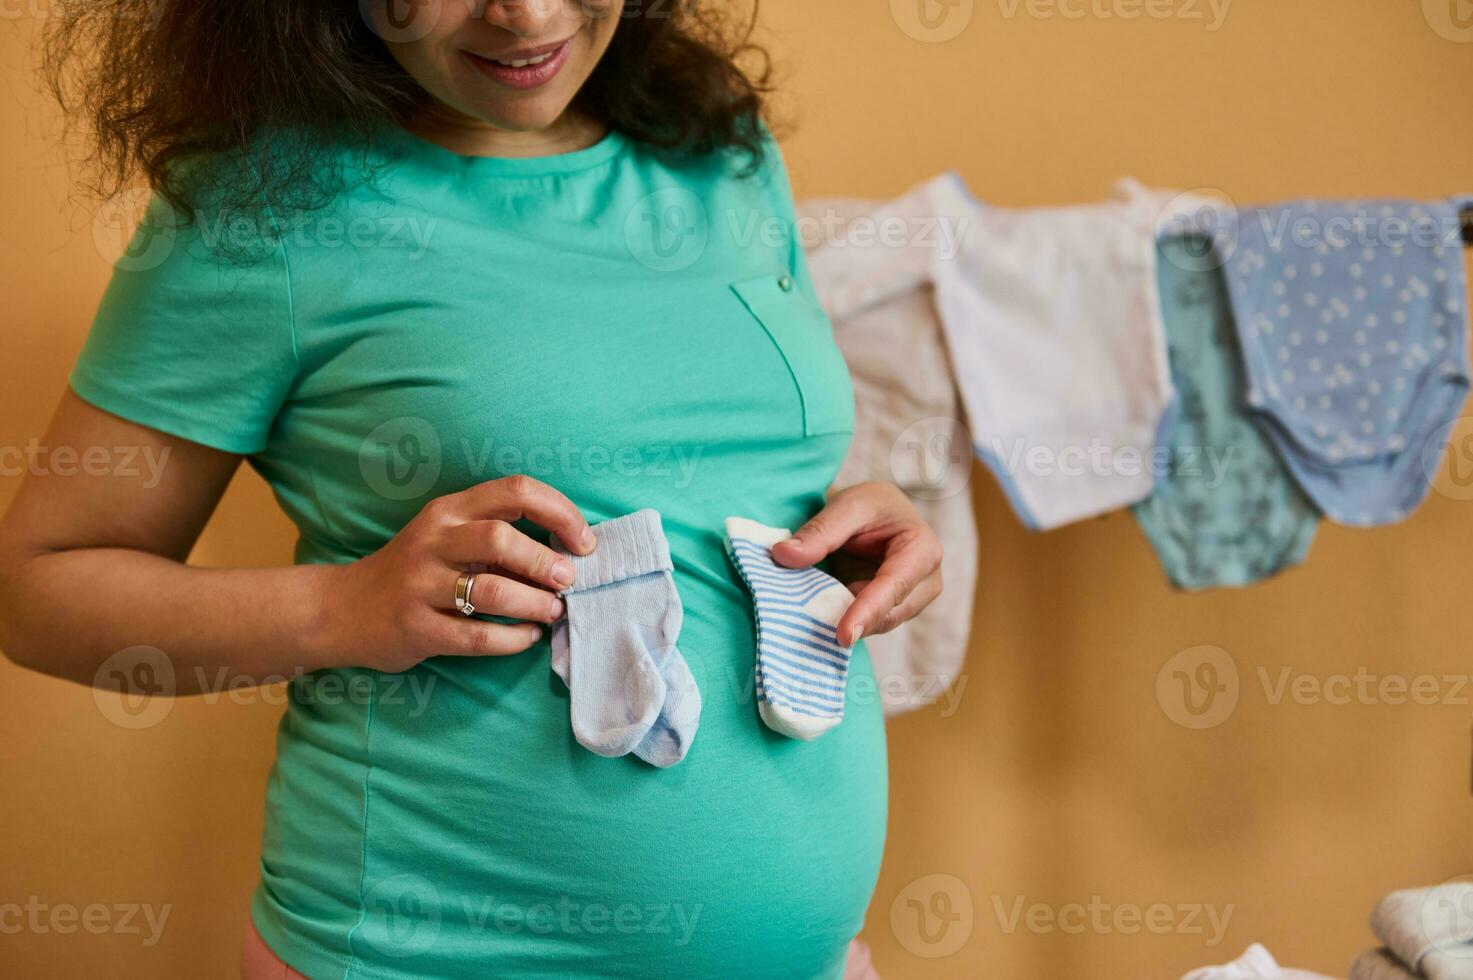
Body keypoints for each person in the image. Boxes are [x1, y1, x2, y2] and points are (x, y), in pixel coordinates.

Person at [0, 2, 944, 976]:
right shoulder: (265, 206)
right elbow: (38, 592)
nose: (527, 13)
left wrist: (857, 531)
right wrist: (341, 605)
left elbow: (721, 470)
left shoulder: (719, 149)